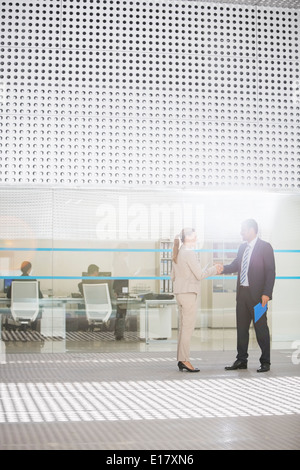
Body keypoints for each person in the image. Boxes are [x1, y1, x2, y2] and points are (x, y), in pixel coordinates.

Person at [219, 219, 276, 373]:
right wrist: (222, 268)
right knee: (242, 329)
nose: (241, 233)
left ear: (251, 230)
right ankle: (241, 360)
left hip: (258, 297)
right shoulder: (242, 247)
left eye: (243, 230)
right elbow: (236, 265)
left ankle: (265, 362)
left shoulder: (265, 247)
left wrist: (266, 294)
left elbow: (271, 272)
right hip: (242, 295)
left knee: (261, 328)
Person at [171, 228, 218, 372]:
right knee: (187, 329)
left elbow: (173, 276)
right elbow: (199, 275)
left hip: (180, 293)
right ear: (188, 237)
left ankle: (181, 359)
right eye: (195, 236)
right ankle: (185, 360)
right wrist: (214, 269)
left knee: (183, 329)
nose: (197, 238)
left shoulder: (178, 253)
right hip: (189, 294)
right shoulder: (189, 253)